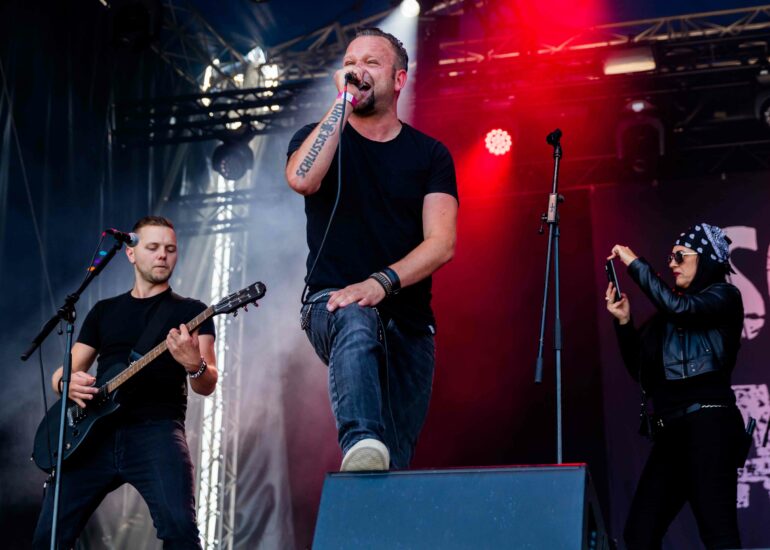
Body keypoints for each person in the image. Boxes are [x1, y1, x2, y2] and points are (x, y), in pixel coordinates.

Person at [285, 28, 458, 471]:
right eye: (350, 62)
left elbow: (441, 244)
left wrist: (381, 282)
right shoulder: (318, 135)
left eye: (371, 63)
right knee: (355, 314)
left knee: (393, 462)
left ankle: (374, 482)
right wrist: (342, 103)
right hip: (331, 302)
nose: (356, 70)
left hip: (409, 322)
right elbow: (302, 179)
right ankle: (358, 438)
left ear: (399, 80)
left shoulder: (430, 155)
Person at [33, 216, 217, 550]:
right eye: (153, 247)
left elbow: (208, 382)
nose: (162, 255)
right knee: (49, 536)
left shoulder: (193, 312)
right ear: (130, 253)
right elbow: (61, 374)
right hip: (93, 434)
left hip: (156, 430)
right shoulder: (104, 311)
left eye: (170, 249)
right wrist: (66, 384)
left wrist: (195, 364)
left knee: (180, 530)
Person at [605, 223, 745, 549]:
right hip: (672, 435)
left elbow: (682, 309)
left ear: (705, 259)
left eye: (680, 256)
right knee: (640, 533)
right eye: (670, 257)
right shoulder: (668, 315)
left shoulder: (724, 296)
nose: (672, 264)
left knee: (720, 536)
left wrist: (634, 263)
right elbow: (642, 372)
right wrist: (624, 323)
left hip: (709, 428)